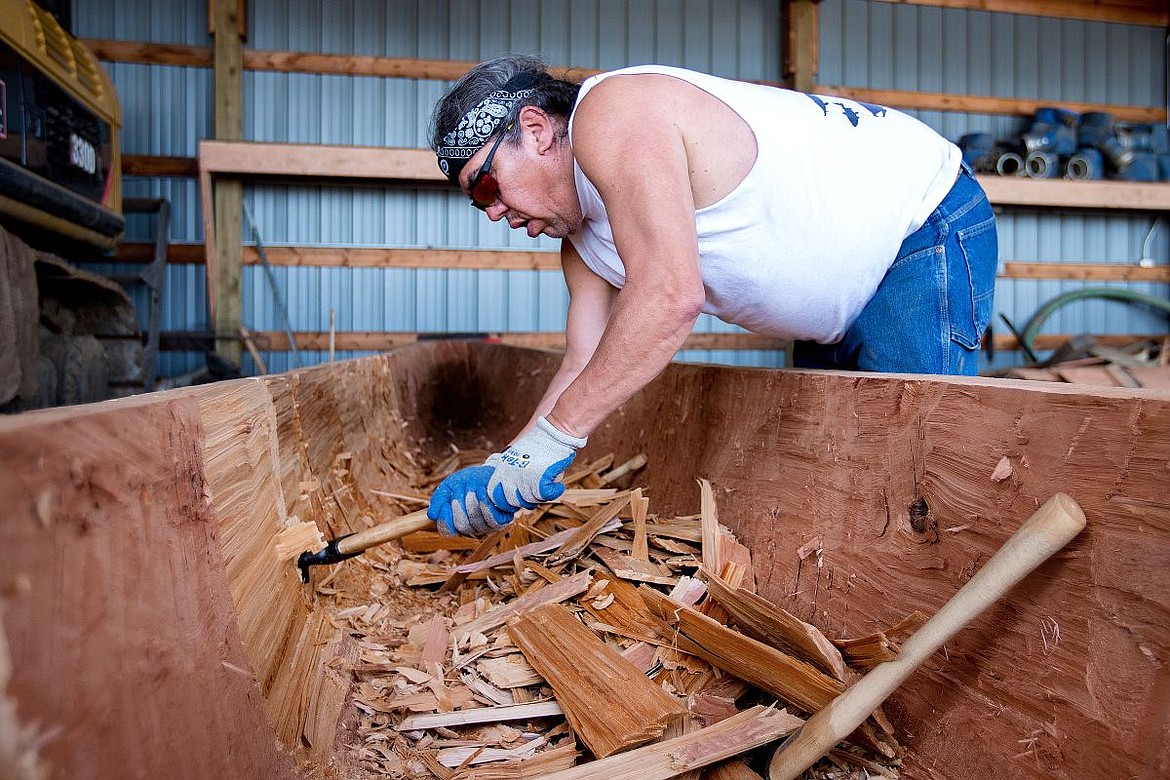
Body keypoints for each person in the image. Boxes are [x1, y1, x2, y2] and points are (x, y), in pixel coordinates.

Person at [425, 55, 998, 536]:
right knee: (845, 479)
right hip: (837, 295)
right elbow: (584, 361)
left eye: (488, 184)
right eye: (479, 203)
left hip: (918, 222)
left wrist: (553, 442)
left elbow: (670, 295)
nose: (494, 211)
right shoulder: (582, 244)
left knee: (919, 481)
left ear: (537, 129)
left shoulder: (611, 113)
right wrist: (510, 465)